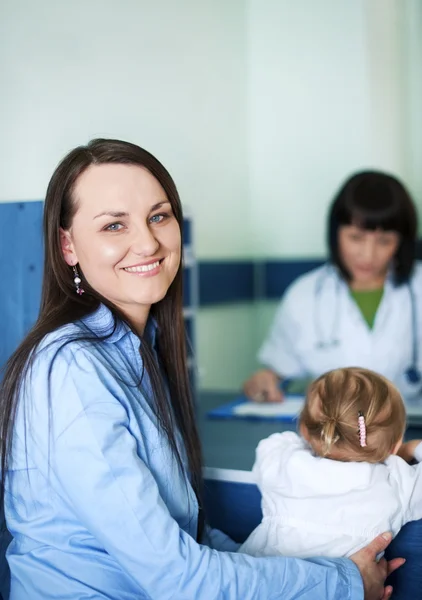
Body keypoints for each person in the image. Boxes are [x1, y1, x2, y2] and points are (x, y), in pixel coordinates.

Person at [0, 139, 402, 600]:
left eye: (158, 216)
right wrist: (342, 582)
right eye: (114, 225)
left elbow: (191, 541)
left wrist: (326, 571)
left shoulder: (135, 355)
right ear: (67, 245)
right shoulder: (70, 371)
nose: (148, 242)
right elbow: (180, 577)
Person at [243, 171, 421, 403]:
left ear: (402, 241)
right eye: (356, 238)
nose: (368, 255)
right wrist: (264, 380)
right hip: (331, 434)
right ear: (336, 233)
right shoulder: (304, 295)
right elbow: (278, 369)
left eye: (384, 241)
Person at [240, 367, 422, 560]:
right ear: (394, 446)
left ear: (305, 430)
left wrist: (320, 439)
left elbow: (274, 444)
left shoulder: (285, 464)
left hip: (258, 578)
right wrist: (409, 450)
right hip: (342, 588)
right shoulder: (396, 483)